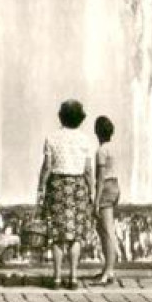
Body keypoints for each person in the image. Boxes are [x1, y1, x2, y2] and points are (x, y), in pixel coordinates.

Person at [36, 99, 94, 290]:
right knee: (75, 235)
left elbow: (46, 167)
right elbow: (88, 170)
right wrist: (92, 191)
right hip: (77, 187)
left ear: (61, 116)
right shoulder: (85, 140)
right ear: (80, 119)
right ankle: (74, 277)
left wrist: (40, 189)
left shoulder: (52, 138)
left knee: (57, 234)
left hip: (57, 186)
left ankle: (57, 277)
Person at [91, 115, 119, 286]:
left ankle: (109, 270)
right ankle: (107, 268)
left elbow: (101, 177)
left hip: (106, 188)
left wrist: (96, 200)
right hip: (115, 185)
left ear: (97, 132)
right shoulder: (112, 148)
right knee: (103, 229)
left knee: (107, 231)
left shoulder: (101, 151)